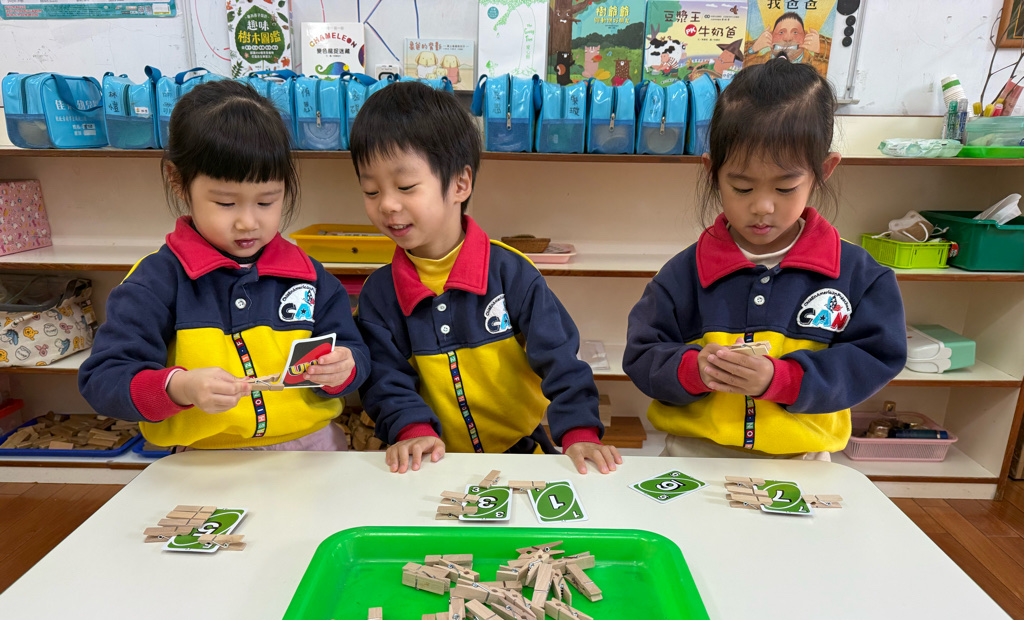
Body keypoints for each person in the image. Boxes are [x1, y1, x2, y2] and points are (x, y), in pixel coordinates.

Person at [624, 58, 906, 460]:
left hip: (804, 461)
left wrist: (785, 378)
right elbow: (641, 355)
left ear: (824, 170)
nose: (762, 207)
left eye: (786, 187)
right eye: (741, 187)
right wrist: (692, 370)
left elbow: (876, 358)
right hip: (693, 455)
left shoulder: (859, 275)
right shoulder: (683, 274)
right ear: (712, 172)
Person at [79, 79, 369, 450]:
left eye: (266, 202)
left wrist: (344, 367)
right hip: (205, 458)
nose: (248, 222)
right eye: (226, 204)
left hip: (312, 448)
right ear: (178, 181)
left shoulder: (309, 275)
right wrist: (179, 387)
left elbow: (355, 351)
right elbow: (104, 379)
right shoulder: (156, 281)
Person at [350, 82, 621, 474]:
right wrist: (410, 428)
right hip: (431, 461)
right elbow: (384, 379)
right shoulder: (379, 294)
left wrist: (580, 431)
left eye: (406, 187)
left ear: (460, 184)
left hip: (522, 455)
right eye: (371, 191)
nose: (388, 205)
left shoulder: (511, 273)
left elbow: (561, 359)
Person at [749, 11, 821, 64]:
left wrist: (819, 51)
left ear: (805, 35)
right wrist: (753, 49)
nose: (787, 38)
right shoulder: (759, 61)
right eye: (781, 32)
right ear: (771, 35)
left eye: (795, 32)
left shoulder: (814, 62)